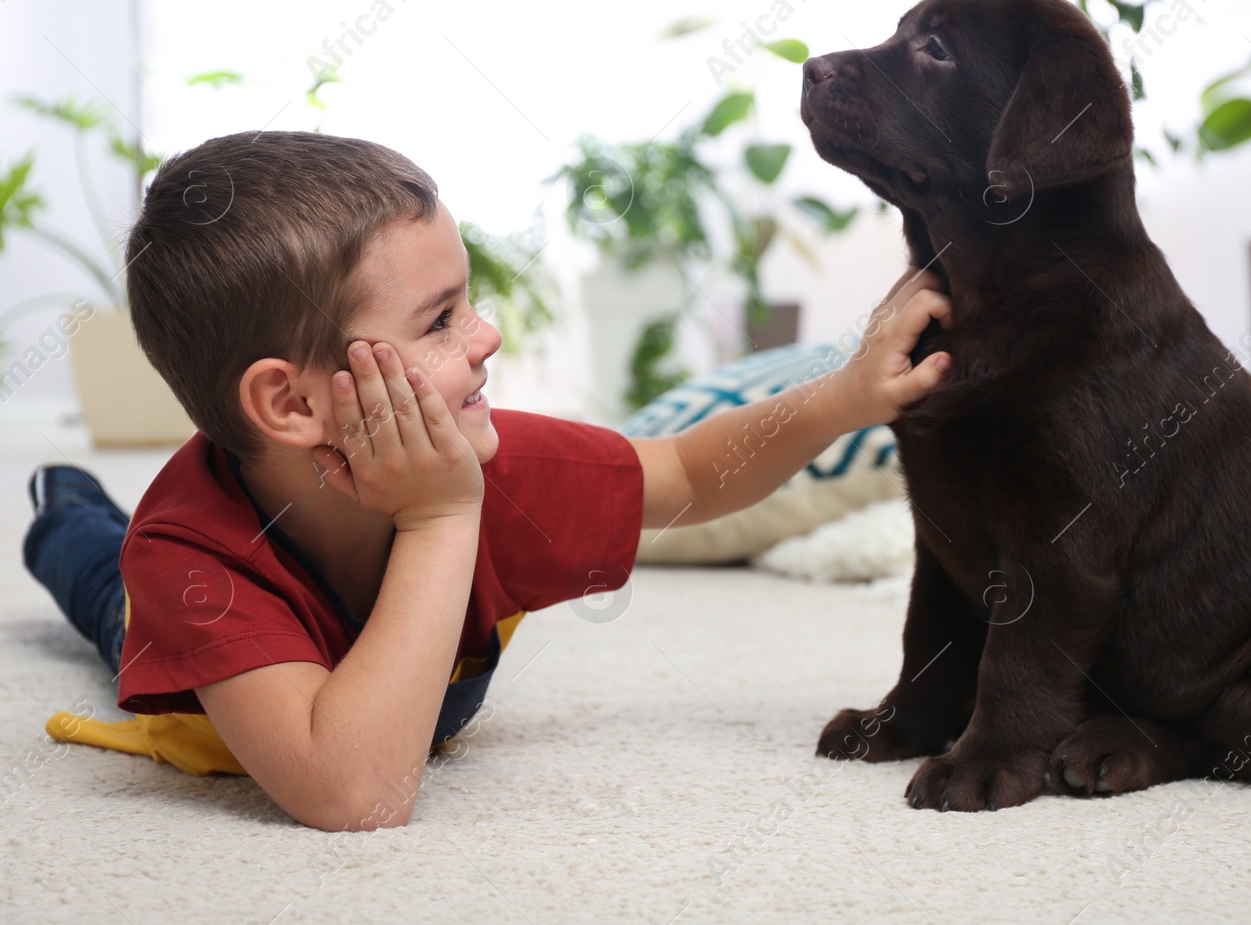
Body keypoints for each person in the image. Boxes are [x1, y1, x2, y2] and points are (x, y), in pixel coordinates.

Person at [21, 130, 952, 832]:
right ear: (290, 403)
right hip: (196, 663)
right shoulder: (190, 554)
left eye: (467, 301)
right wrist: (437, 518)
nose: (487, 335)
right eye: (438, 322)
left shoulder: (490, 459)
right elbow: (354, 790)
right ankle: (63, 509)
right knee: (104, 578)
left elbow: (686, 471)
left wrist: (843, 397)